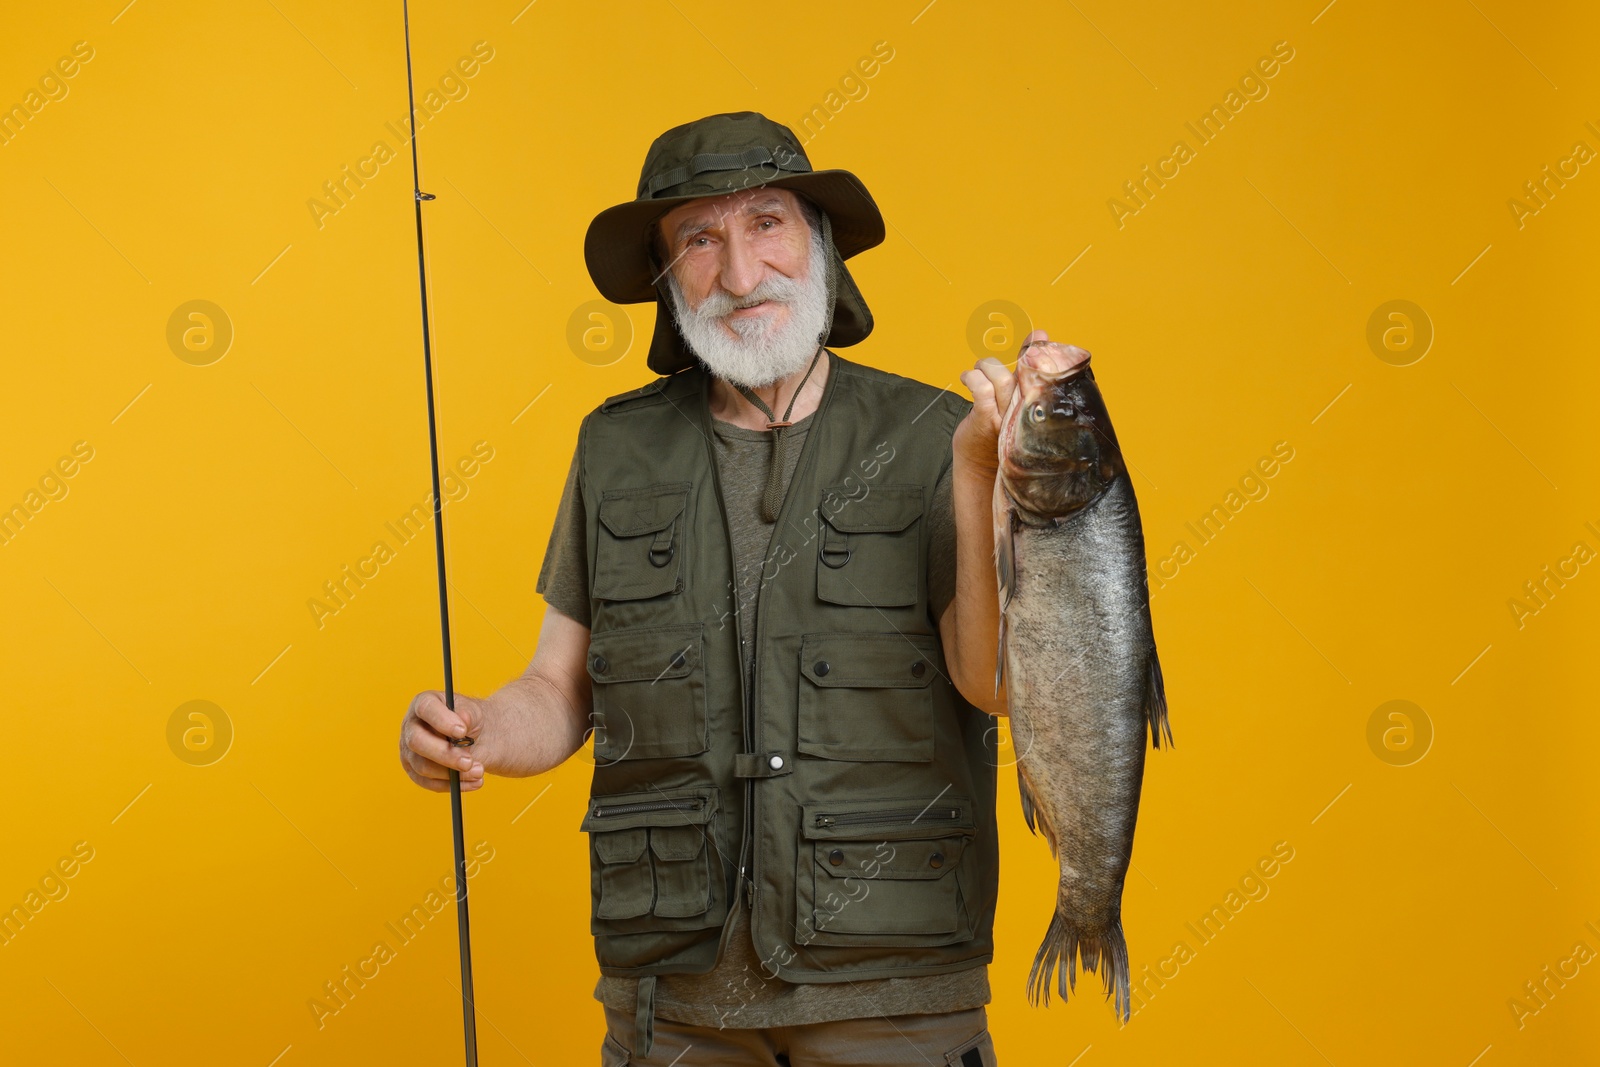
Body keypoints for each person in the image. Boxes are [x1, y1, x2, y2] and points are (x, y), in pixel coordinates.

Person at [398, 111, 1087, 1067]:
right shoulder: (615, 446)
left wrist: (981, 472)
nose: (738, 271)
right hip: (672, 1004)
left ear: (823, 247)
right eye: (699, 239)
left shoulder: (939, 433)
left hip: (893, 995)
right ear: (666, 278)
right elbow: (559, 689)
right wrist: (477, 726)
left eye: (767, 222)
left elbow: (995, 685)